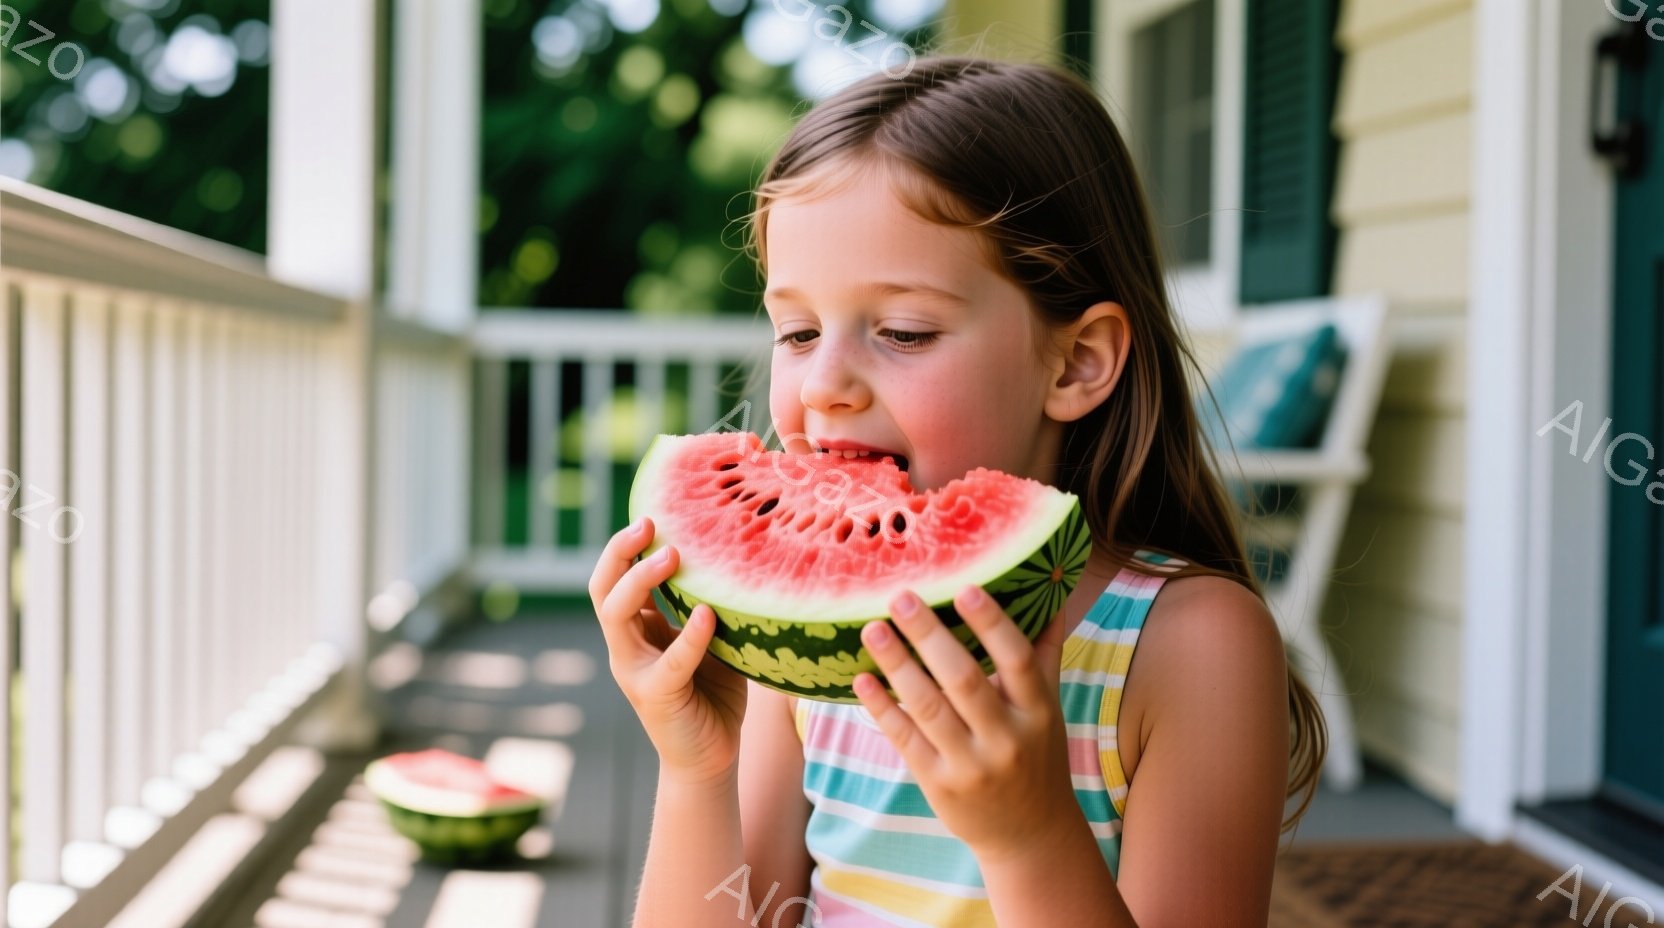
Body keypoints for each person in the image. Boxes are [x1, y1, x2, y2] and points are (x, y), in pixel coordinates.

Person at [589, 55, 1327, 927]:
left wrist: (1029, 836)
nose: (824, 385)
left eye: (904, 331)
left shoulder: (1191, 648)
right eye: (797, 331)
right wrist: (696, 771)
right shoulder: (804, 652)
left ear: (1077, 362)